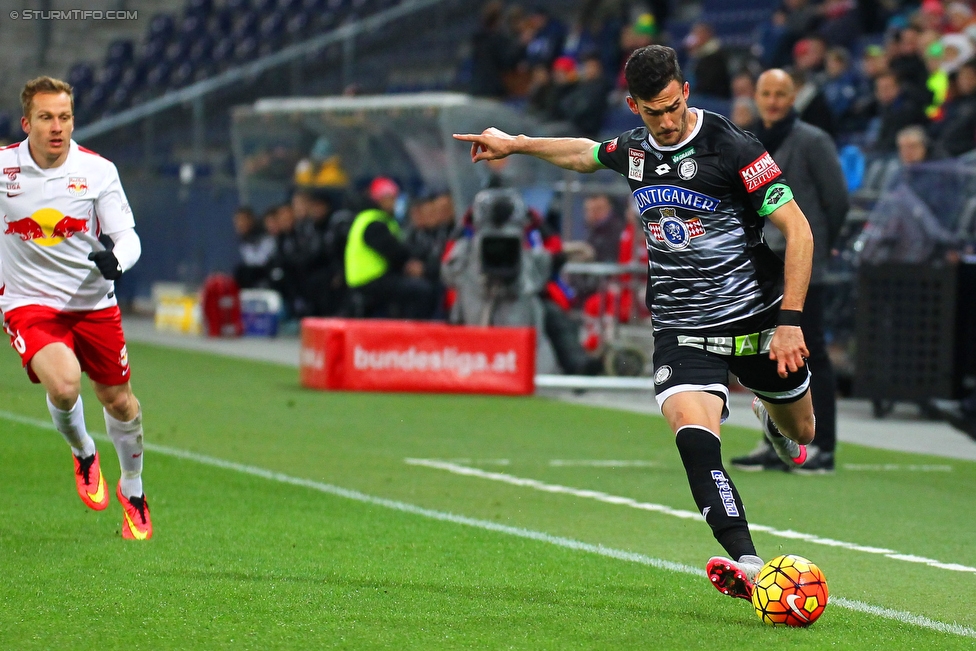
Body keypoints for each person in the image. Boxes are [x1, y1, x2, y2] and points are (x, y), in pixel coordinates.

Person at [454, 44, 816, 603]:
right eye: (653, 112)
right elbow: (583, 153)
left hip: (757, 322)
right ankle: (747, 561)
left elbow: (799, 229)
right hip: (681, 328)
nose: (666, 122)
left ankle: (770, 412)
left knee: (803, 435)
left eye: (673, 107)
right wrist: (517, 145)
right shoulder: (636, 149)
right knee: (696, 441)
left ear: (686, 92)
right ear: (633, 106)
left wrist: (790, 320)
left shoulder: (734, 147)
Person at [0, 76, 152, 540]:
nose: (56, 126)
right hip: (28, 303)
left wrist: (117, 260)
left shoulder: (98, 170)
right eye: (46, 117)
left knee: (119, 402)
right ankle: (84, 452)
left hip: (91, 302)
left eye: (64, 117)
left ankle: (133, 488)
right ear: (27, 123)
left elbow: (128, 237)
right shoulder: (4, 170)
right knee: (65, 387)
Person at [732, 69, 849, 474]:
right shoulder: (746, 139)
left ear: (794, 95)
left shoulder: (813, 140)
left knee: (810, 349)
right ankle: (775, 442)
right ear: (756, 96)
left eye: (781, 93)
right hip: (763, 266)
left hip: (802, 266)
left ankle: (825, 447)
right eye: (766, 93)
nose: (774, 100)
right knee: (769, 353)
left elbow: (837, 201)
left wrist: (815, 247)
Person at [344, 177, 436, 319]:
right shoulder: (374, 221)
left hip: (369, 279)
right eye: (389, 198)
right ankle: (415, 330)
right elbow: (394, 251)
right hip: (372, 279)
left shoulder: (371, 218)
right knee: (421, 290)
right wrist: (411, 263)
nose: (393, 202)